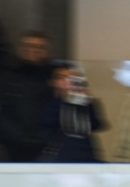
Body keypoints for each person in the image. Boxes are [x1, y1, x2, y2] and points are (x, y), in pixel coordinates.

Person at [0, 30, 56, 162]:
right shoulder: (6, 76)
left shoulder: (55, 77)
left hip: (50, 145)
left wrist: (46, 137)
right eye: (29, 45)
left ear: (47, 51)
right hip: (12, 145)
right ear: (20, 49)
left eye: (39, 47)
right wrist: (15, 136)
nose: (33, 50)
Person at [39, 63, 107, 163]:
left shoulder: (85, 102)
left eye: (71, 78)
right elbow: (48, 122)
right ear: (54, 82)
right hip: (60, 154)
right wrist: (65, 99)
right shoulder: (49, 102)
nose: (67, 81)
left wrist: (85, 102)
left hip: (85, 153)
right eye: (61, 78)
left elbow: (96, 125)